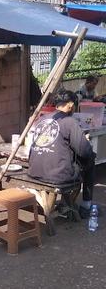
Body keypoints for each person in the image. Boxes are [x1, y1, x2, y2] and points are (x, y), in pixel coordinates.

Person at [29, 89, 96, 218]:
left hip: (34, 171)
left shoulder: (43, 119)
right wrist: (85, 140)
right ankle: (86, 206)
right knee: (91, 159)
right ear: (70, 105)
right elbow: (84, 151)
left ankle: (66, 204)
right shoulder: (70, 122)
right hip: (58, 175)